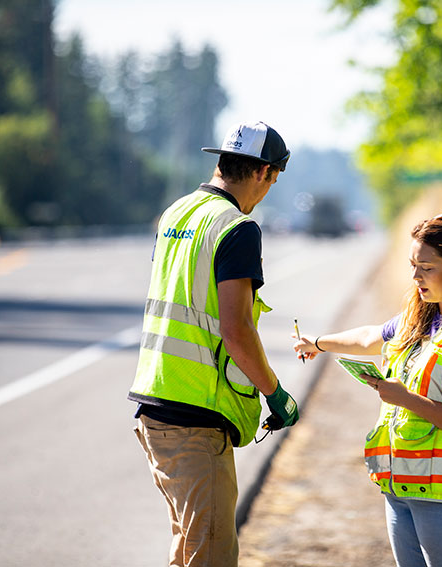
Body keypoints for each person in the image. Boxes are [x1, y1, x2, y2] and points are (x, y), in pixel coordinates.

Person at [295, 214, 442, 567]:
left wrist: (406, 400)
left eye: (426, 268)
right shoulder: (425, 316)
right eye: (413, 265)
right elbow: (372, 336)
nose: (415, 277)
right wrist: (319, 343)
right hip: (404, 488)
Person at [128, 121, 300, 567]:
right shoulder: (237, 228)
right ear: (263, 172)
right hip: (196, 421)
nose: (269, 190)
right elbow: (237, 329)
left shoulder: (176, 213)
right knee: (211, 555)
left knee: (189, 547)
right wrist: (275, 394)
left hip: (157, 406)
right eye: (274, 179)